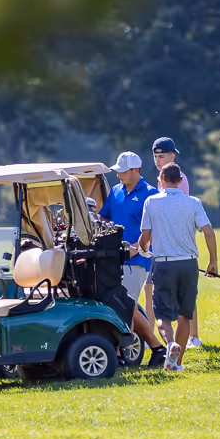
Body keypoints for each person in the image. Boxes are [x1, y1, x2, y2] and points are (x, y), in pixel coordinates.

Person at [139, 163, 219, 372]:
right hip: (189, 264)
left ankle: (170, 344)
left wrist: (142, 247)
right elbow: (209, 233)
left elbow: (145, 238)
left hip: (164, 264)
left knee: (162, 317)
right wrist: (213, 262)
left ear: (161, 180)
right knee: (185, 316)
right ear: (181, 181)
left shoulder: (151, 202)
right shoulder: (193, 202)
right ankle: (178, 363)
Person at [98, 151, 161, 359]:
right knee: (129, 305)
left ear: (136, 170)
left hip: (137, 260)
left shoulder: (150, 194)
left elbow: (153, 229)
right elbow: (104, 219)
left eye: (123, 171)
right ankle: (156, 349)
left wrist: (136, 248)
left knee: (124, 306)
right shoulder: (115, 191)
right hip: (114, 259)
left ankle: (122, 354)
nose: (118, 175)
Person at [151, 136, 204, 348]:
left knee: (186, 297)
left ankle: (193, 335)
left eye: (161, 156)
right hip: (170, 244)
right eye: (155, 156)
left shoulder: (178, 178)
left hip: (178, 242)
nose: (157, 160)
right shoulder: (161, 177)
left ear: (172, 156)